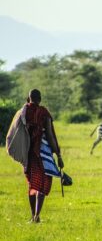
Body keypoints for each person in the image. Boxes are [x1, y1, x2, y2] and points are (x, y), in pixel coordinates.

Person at [24, 89, 64, 223]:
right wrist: (58, 155)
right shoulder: (44, 113)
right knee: (42, 183)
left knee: (32, 183)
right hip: (43, 154)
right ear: (40, 99)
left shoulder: (23, 112)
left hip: (28, 153)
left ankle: (33, 216)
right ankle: (37, 216)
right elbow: (50, 136)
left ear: (28, 98)